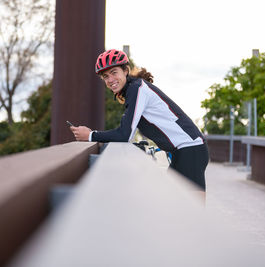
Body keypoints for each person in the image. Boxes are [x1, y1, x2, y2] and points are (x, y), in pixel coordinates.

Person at [70, 49, 209, 192]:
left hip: (191, 149)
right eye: (105, 76)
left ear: (125, 70)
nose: (110, 80)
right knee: (174, 206)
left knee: (192, 210)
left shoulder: (137, 89)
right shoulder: (134, 89)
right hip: (183, 151)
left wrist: (91, 135)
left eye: (114, 72)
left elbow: (125, 135)